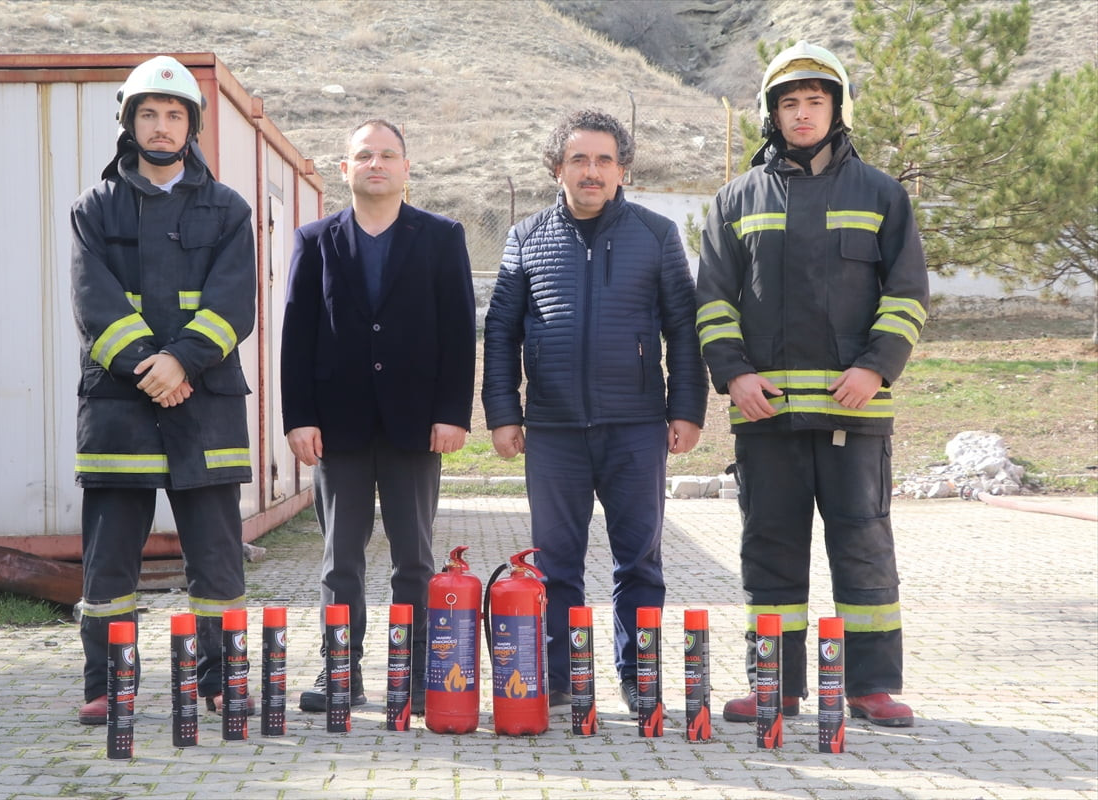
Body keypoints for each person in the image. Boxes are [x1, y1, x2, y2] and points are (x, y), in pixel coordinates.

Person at [694, 42, 929, 727]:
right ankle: (776, 685)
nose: (802, 114)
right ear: (772, 114)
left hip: (855, 414)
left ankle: (871, 686)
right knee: (769, 549)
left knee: (864, 547)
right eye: (789, 103)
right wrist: (734, 376)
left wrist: (876, 366)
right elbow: (713, 302)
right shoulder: (736, 199)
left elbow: (908, 294)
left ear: (838, 108)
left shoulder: (881, 194)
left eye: (815, 101)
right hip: (765, 416)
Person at [482, 109, 708, 712]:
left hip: (637, 427)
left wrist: (687, 408)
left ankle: (638, 677)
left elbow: (683, 329)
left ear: (622, 170)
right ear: (557, 168)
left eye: (604, 160)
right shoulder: (526, 237)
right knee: (556, 564)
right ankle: (558, 679)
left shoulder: (656, 235)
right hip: (553, 431)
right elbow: (501, 331)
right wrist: (504, 413)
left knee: (640, 562)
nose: (592, 171)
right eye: (578, 159)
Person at [69, 56, 257, 724]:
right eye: (147, 113)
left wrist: (181, 362)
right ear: (128, 122)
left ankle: (221, 680)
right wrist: (154, 368)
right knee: (109, 562)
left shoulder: (229, 209)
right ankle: (106, 685)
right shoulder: (94, 208)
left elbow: (234, 303)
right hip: (121, 408)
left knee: (217, 559)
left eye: (174, 114)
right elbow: (93, 304)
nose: (161, 125)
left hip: (203, 405)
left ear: (191, 126)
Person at [280, 119, 476, 716]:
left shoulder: (441, 237)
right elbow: (297, 334)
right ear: (345, 169)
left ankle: (415, 673)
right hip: (337, 428)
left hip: (415, 426)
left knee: (413, 559)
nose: (376, 164)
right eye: (364, 155)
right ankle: (340, 669)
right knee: (340, 559)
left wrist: (452, 412)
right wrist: (298, 417)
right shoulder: (315, 240)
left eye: (388, 155)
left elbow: (459, 331)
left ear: (406, 168)